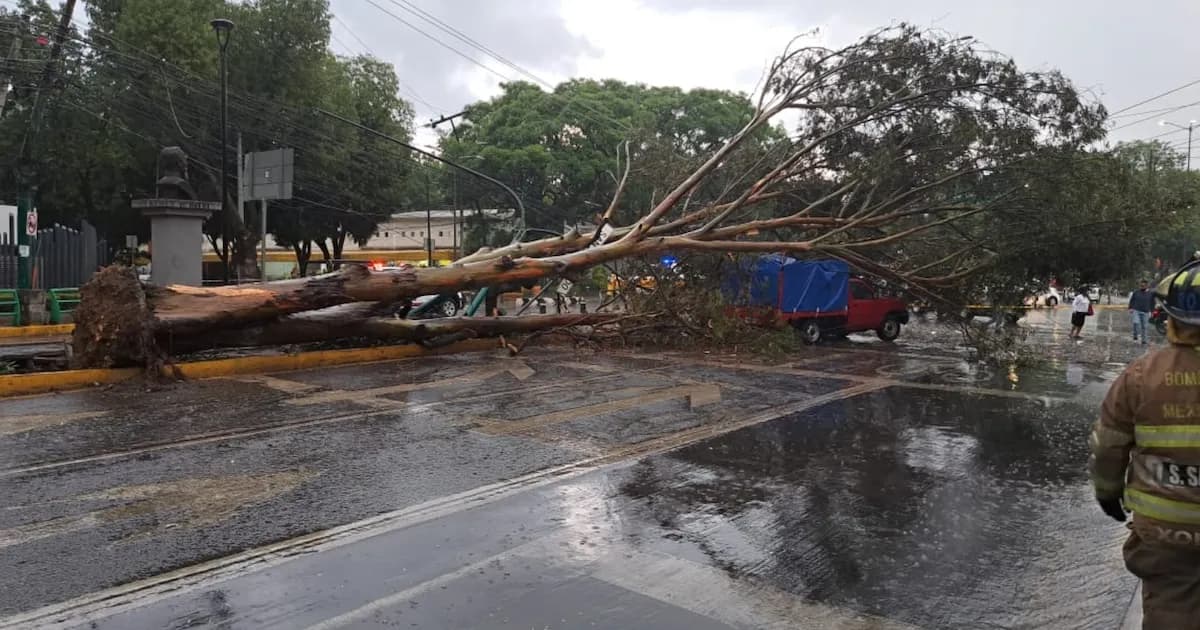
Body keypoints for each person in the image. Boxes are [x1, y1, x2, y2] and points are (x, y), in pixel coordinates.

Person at [1090, 260, 1200, 627]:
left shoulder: (1141, 375)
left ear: (1169, 319)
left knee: (1172, 611)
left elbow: (1109, 445)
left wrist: (1108, 493)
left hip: (1165, 535)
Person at [1129, 279, 1155, 345]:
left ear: (1147, 286)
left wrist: (1152, 311)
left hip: (1146, 312)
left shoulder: (1151, 293)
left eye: (1143, 285)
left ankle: (1144, 340)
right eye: (1141, 285)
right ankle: (1135, 335)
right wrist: (1130, 308)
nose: (1142, 286)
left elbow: (1152, 303)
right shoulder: (1136, 292)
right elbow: (1132, 300)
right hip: (1136, 310)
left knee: (1144, 326)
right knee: (1136, 323)